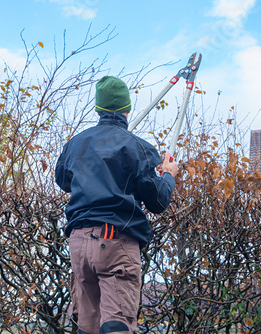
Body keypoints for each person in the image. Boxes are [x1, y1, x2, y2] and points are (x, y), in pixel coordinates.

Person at [55, 76, 179, 334]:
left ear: (98, 109)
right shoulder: (137, 148)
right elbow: (157, 201)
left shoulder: (75, 144)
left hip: (78, 242)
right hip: (114, 241)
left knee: (87, 327)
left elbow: (63, 181)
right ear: (127, 108)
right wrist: (168, 174)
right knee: (116, 325)